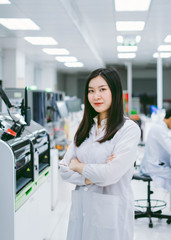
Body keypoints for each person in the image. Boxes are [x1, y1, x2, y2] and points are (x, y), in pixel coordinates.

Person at [59, 67, 141, 240]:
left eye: (102, 89)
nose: (96, 96)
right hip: (82, 209)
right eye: (91, 91)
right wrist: (94, 174)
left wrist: (79, 166)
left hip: (111, 213)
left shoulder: (128, 130)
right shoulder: (84, 129)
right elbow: (64, 171)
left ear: (115, 92)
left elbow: (109, 175)